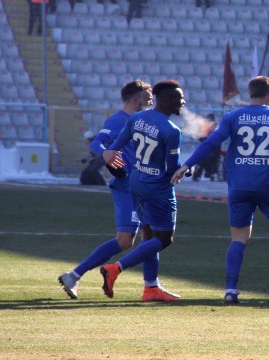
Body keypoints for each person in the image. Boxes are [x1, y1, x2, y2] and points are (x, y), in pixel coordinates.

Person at [171, 76, 269, 304]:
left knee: (239, 238)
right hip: (268, 184)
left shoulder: (233, 116)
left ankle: (231, 289)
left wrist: (186, 165)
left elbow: (211, 143)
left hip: (239, 186)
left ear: (250, 94)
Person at [60, 80, 182, 302]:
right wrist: (105, 153)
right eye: (147, 96)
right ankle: (75, 275)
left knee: (150, 236)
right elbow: (97, 142)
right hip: (128, 187)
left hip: (140, 185)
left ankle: (151, 287)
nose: (151, 99)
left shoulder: (143, 120)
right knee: (126, 240)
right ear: (135, 99)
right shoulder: (120, 120)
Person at [98, 80, 186, 301]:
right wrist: (186, 169)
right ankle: (115, 268)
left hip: (136, 182)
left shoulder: (136, 118)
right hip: (158, 189)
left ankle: (150, 288)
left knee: (148, 236)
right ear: (166, 100)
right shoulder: (171, 130)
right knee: (164, 238)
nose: (183, 101)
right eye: (179, 97)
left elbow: (114, 147)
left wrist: (107, 158)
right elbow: (172, 169)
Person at [192, 114, 220, 182]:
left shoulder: (216, 127)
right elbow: (200, 137)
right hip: (206, 147)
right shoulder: (204, 127)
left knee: (212, 158)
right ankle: (198, 174)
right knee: (202, 158)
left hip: (214, 148)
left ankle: (210, 173)